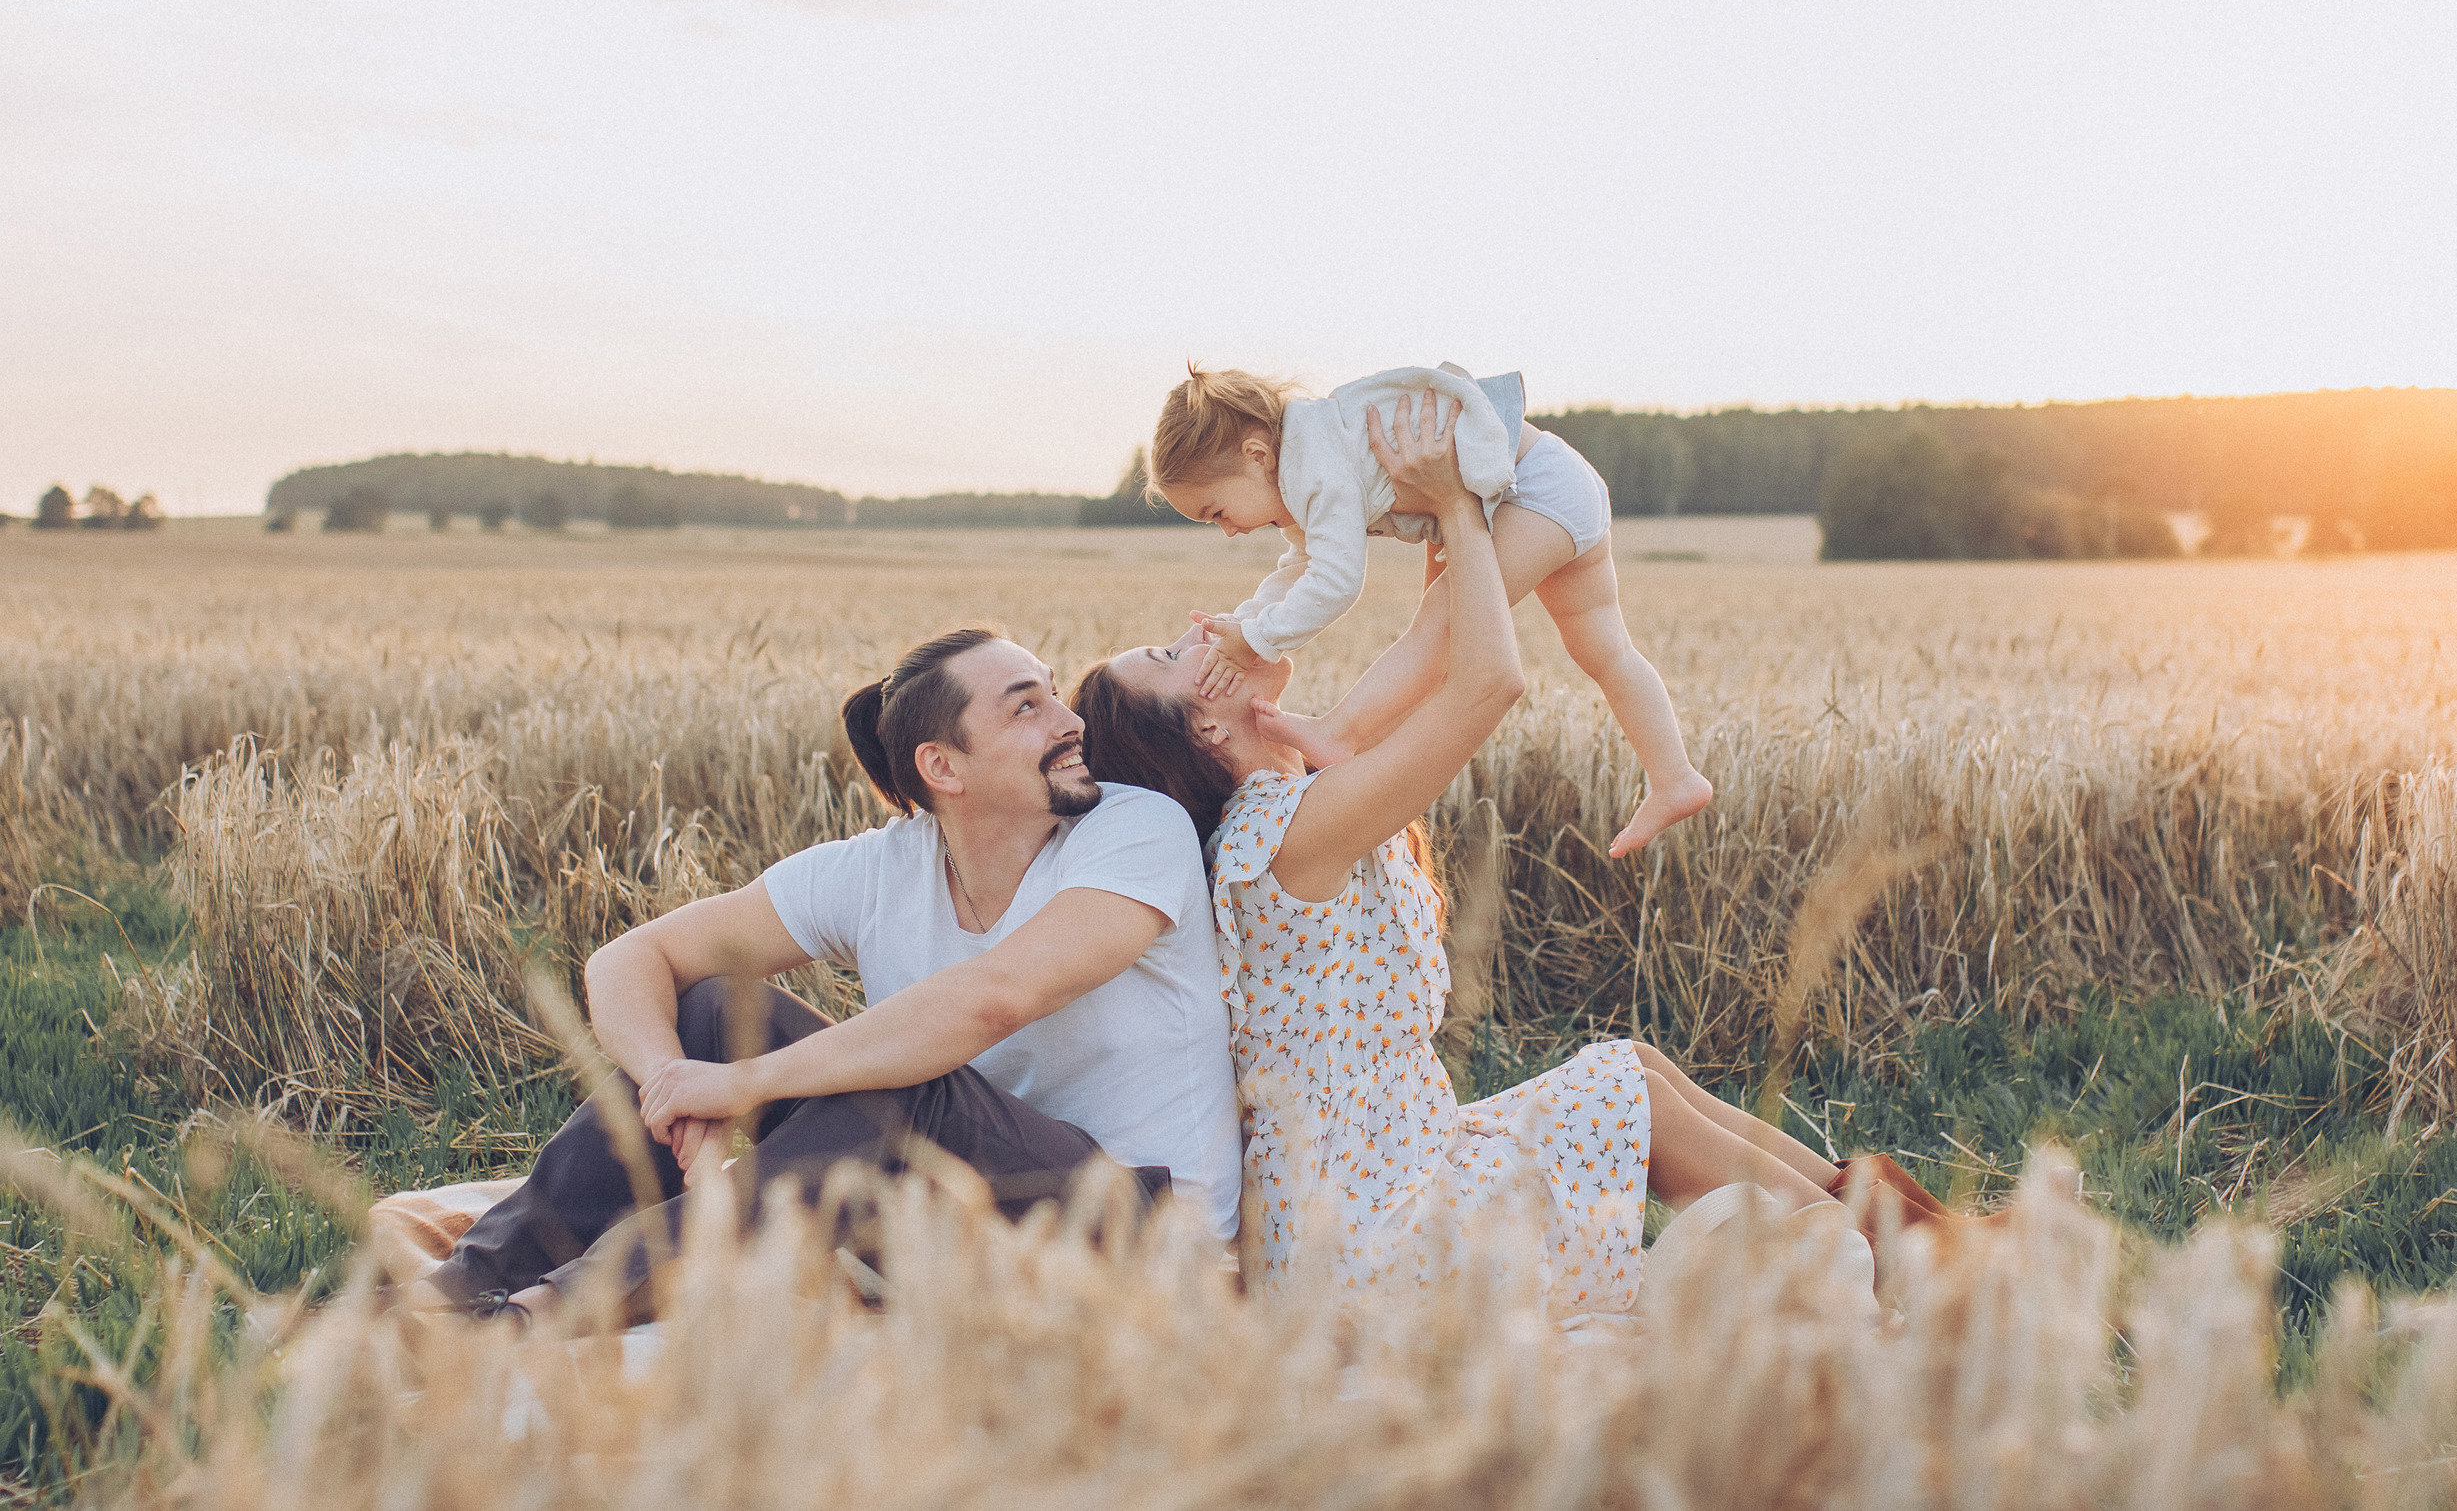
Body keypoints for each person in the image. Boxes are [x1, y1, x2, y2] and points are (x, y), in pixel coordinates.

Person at [1075, 395, 1953, 1315]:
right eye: (1173, 650)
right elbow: (1488, 680)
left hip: (1389, 1167)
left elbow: (1445, 632)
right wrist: (1457, 506)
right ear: (1205, 721)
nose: (1200, 618)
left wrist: (1443, 526)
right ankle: (1910, 1271)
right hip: (1373, 1229)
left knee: (1637, 1066)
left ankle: (1887, 1219)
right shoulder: (1281, 834)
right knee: (1629, 1100)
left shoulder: (1291, 803)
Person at [408, 627, 1240, 1325]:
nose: (1071, 720)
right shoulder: (881, 868)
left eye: (1056, 694)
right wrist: (674, 1084)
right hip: (953, 1211)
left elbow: (995, 998)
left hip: (1140, 1226)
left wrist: (743, 1082)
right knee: (712, 1006)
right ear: (943, 768)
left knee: (911, 1087)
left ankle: (549, 1312)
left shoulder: (1136, 830)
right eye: (1028, 706)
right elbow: (629, 959)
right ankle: (455, 1289)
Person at [1143, 361, 1715, 858]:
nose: (1227, 533)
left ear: (1255, 453)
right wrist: (1244, 627)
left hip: (1530, 494)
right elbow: (1299, 567)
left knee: (1442, 622)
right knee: (1606, 651)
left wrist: (1259, 639)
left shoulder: (1311, 466)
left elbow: (1337, 580)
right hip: (1557, 480)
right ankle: (1675, 776)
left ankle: (1340, 733)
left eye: (1216, 511)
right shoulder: (1299, 466)